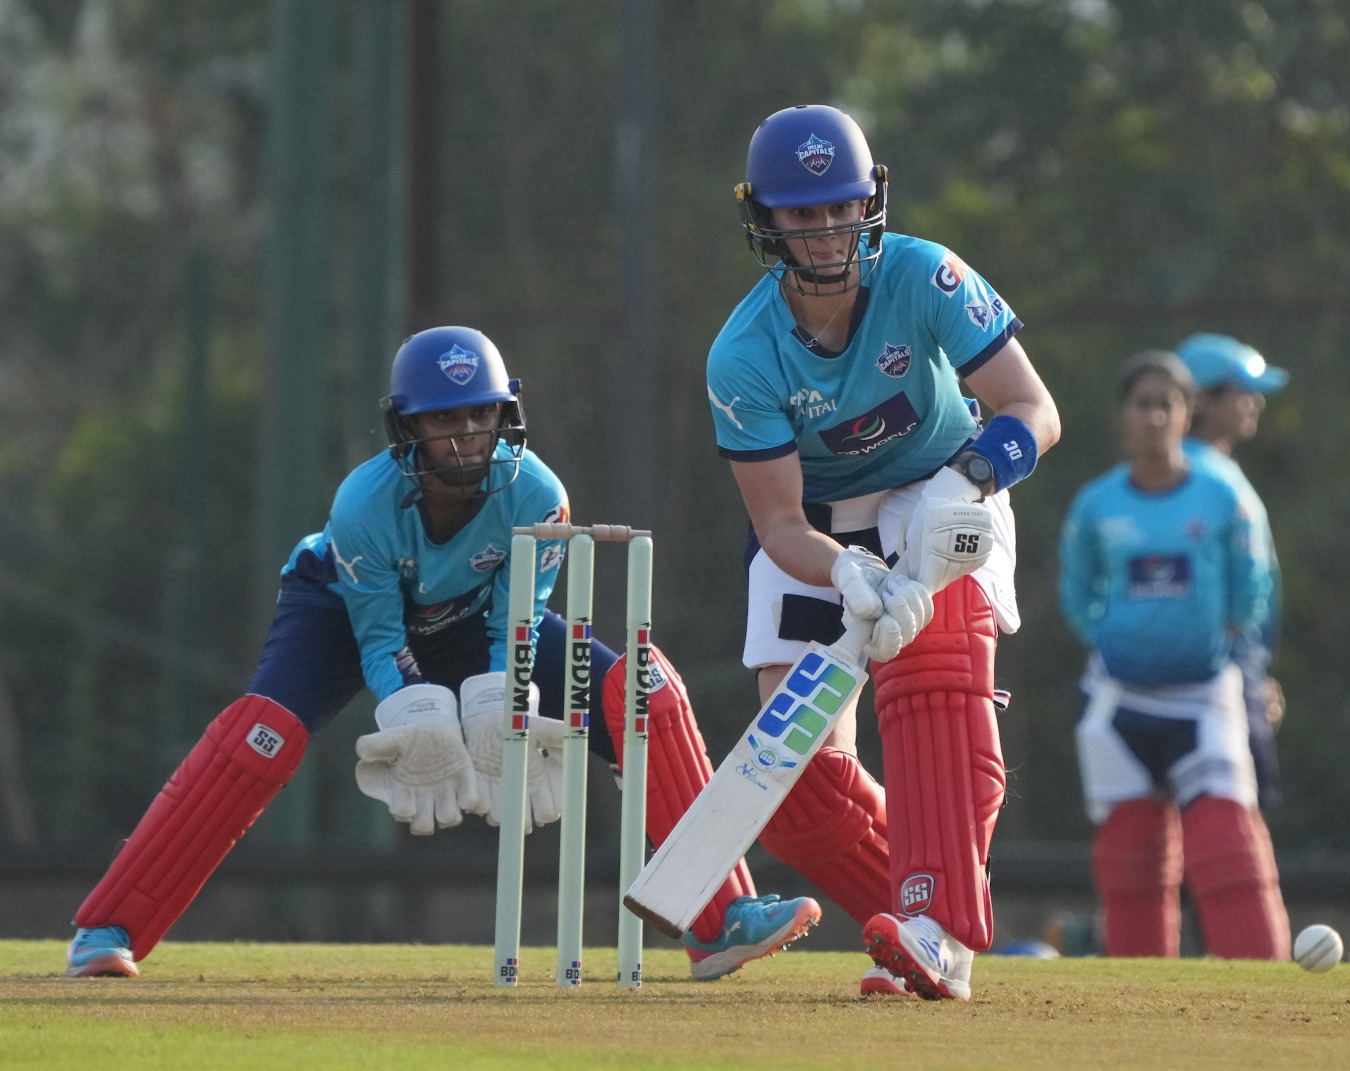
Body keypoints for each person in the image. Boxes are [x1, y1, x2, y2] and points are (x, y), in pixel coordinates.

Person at [66, 325, 819, 980]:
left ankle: (720, 917)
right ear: (407, 427)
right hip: (338, 611)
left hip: (481, 621)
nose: (465, 435)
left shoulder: (538, 494)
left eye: (479, 414)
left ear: (504, 414)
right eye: (444, 419)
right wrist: (413, 706)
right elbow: (378, 635)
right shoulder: (362, 506)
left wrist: (497, 696)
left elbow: (518, 620)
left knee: (643, 691)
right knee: (256, 736)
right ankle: (109, 928)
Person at [706, 104, 1060, 1000]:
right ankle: (918, 915)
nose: (828, 231)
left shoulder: (925, 273)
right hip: (817, 531)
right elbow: (780, 524)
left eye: (842, 206)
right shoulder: (741, 355)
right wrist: (845, 569)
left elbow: (1035, 410)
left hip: (942, 485)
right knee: (792, 785)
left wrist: (964, 482)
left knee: (932, 676)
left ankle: (937, 923)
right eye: (803, 213)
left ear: (871, 201)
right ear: (765, 219)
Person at [1058, 350, 1290, 960]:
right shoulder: (1096, 505)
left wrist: (1229, 643)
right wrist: (1111, 636)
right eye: (1143, 404)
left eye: (1168, 404)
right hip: (1120, 699)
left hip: (1204, 696)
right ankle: (1141, 1003)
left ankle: (1265, 993)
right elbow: (1077, 591)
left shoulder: (1222, 495)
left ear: (1188, 414)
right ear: (1123, 416)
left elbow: (1253, 586)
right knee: (1131, 861)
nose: (1155, 417)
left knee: (1228, 848)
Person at [1174, 333, 1288, 807]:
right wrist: (1246, 672)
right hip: (1219, 675)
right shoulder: (1200, 477)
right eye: (1244, 389)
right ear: (1203, 399)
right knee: (1231, 819)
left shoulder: (1212, 470)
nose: (1256, 401)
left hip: (1232, 669)